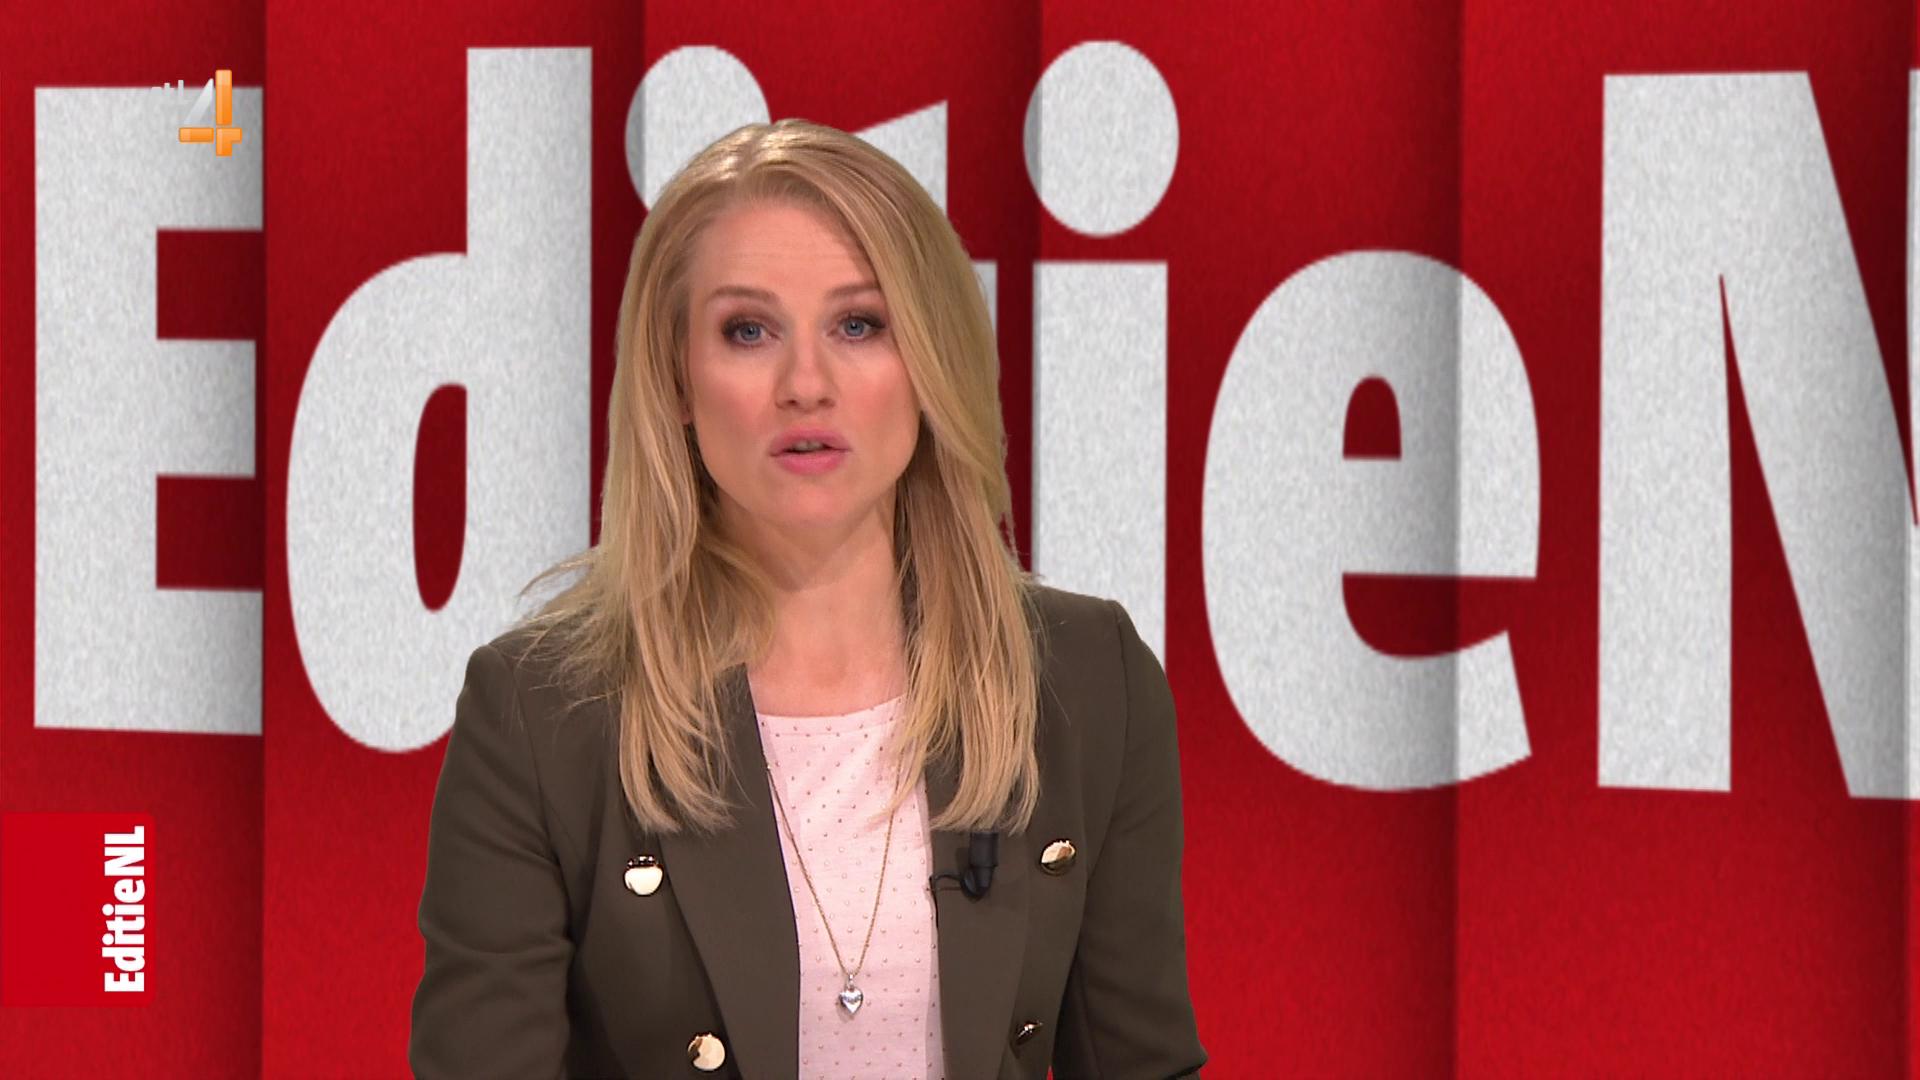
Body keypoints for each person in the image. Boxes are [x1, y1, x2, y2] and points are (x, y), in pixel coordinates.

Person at [407, 117, 1205, 1080]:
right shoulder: (542, 712)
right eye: (748, 332)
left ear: (930, 362)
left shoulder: (1087, 679)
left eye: (858, 325)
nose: (806, 385)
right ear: (676, 379)